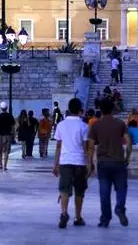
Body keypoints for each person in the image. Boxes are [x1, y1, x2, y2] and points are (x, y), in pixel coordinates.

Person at [88, 98, 132, 228]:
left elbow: (90, 146)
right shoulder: (120, 124)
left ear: (100, 110)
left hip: (103, 162)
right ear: (113, 109)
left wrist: (90, 162)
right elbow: (129, 143)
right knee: (122, 188)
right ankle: (119, 207)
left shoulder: (95, 125)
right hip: (118, 160)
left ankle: (105, 219)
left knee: (104, 191)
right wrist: (127, 157)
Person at [53, 97, 91, 228]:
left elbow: (58, 146)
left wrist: (55, 164)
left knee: (64, 189)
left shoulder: (61, 125)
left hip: (65, 161)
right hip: (79, 162)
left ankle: (64, 213)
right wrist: (89, 164)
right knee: (79, 190)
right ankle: (78, 217)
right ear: (80, 110)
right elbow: (86, 148)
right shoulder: (84, 126)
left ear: (68, 109)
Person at [0, 102, 15, 171]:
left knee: (0, 150)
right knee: (6, 151)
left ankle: (0, 164)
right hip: (8, 135)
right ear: (7, 108)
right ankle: (5, 166)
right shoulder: (10, 116)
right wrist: (13, 134)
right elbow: (13, 127)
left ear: (1, 108)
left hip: (0, 135)